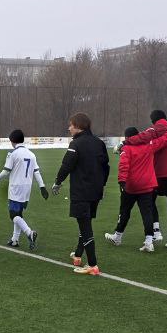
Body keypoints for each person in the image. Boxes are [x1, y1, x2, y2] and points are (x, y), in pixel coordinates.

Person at [50, 111, 110, 275]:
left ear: (78, 126)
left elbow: (66, 165)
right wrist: (103, 185)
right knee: (86, 222)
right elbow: (106, 167)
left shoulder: (76, 144)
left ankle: (92, 264)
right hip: (95, 191)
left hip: (81, 191)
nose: (69, 128)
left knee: (85, 226)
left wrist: (57, 182)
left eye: (71, 125)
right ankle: (77, 255)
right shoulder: (99, 143)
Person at [122, 110, 167, 248]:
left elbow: (141, 139)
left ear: (153, 120)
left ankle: (156, 231)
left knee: (150, 201)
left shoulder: (154, 130)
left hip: (158, 172)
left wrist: (125, 142)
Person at [107, 125, 167, 253]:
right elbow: (165, 139)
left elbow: (124, 166)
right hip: (147, 185)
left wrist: (122, 182)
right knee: (147, 214)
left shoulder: (127, 148)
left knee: (124, 211)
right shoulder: (149, 145)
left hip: (131, 186)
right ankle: (149, 242)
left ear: (127, 137)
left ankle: (117, 236)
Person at [0, 128, 48, 250]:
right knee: (19, 213)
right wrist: (42, 186)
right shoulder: (31, 154)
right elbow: (36, 172)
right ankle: (15, 240)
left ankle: (29, 233)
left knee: (13, 215)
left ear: (13, 141)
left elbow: (6, 171)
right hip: (27, 188)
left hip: (16, 187)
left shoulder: (13, 154)